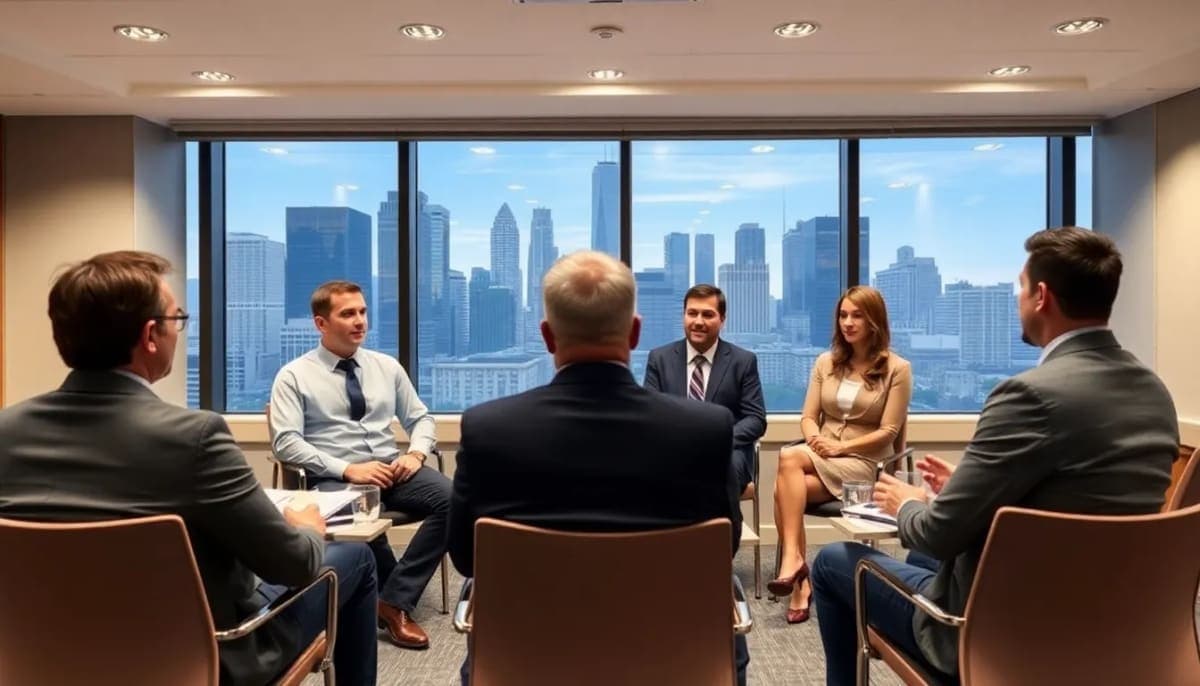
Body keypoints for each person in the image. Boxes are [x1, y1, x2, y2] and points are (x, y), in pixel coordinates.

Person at [810, 227, 1179, 685]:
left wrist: (907, 503)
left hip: (1006, 628)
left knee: (833, 561)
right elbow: (1078, 495)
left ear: (1041, 296)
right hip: (1118, 619)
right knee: (921, 558)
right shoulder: (1154, 393)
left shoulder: (1028, 395)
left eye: (1020, 288)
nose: (1017, 299)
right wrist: (967, 487)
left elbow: (937, 535)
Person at [0, 251, 378, 686]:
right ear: (151, 336)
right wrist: (309, 528)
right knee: (354, 558)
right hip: (206, 657)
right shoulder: (194, 437)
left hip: (37, 657)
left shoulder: (7, 432)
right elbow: (293, 565)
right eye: (177, 319)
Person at [447, 251, 749, 685]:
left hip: (528, 662)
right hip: (672, 661)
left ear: (547, 336)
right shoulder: (706, 430)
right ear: (635, 332)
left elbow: (464, 556)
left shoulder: (487, 430)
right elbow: (726, 545)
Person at [270, 280, 450, 650]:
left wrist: (415, 454)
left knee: (455, 499)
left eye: (363, 312)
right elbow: (286, 442)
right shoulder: (294, 375)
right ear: (321, 323)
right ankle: (394, 604)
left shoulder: (386, 367)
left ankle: (392, 599)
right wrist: (347, 469)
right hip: (335, 477)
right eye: (348, 314)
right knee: (363, 517)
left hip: (391, 468)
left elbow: (421, 418)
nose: (360, 321)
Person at [769, 285, 912, 624]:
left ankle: (794, 567)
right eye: (843, 315)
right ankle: (799, 577)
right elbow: (808, 417)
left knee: (786, 466)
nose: (847, 322)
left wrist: (841, 448)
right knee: (787, 482)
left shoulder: (897, 369)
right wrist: (816, 439)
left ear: (874, 320)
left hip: (865, 464)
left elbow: (889, 432)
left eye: (857, 315)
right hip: (822, 454)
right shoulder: (826, 362)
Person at [643, 284, 767, 496]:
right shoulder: (659, 359)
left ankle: (708, 518)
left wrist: (715, 440)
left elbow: (755, 419)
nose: (698, 322)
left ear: (722, 319)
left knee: (714, 476)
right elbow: (650, 415)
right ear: (683, 316)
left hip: (727, 452)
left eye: (708, 315)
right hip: (674, 450)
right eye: (692, 313)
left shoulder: (743, 361)